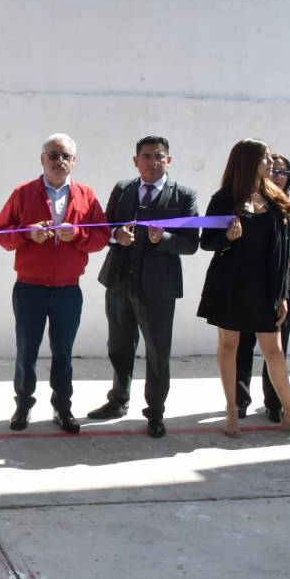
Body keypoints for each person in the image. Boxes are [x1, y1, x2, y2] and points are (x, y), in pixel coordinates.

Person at [197, 138, 290, 441]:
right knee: (229, 348)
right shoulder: (224, 198)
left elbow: (283, 250)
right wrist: (227, 237)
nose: (272, 164)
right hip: (230, 286)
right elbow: (206, 242)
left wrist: (283, 295)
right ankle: (232, 412)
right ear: (249, 161)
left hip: (266, 288)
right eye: (266, 158)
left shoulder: (276, 198)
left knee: (274, 352)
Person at [0, 133, 108, 434]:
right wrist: (27, 233)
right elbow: (1, 234)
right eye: (53, 155)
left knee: (63, 352)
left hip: (68, 290)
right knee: (26, 350)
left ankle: (63, 407)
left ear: (74, 161)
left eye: (65, 156)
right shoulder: (23, 193)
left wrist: (79, 236)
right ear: (42, 159)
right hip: (30, 288)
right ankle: (23, 405)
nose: (59, 161)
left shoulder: (86, 195)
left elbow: (101, 237)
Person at [88, 136, 199, 438]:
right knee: (119, 346)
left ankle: (156, 412)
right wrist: (116, 235)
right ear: (135, 160)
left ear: (169, 160)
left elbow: (191, 243)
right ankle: (118, 400)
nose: (152, 162)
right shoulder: (123, 189)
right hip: (120, 280)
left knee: (157, 351)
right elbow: (104, 227)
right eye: (146, 156)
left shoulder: (184, 195)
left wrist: (162, 240)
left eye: (158, 156)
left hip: (159, 287)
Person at [236, 153, 290, 422]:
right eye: (274, 170)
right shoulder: (251, 200)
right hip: (249, 286)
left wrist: (277, 262)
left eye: (283, 172)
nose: (278, 175)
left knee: (276, 350)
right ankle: (239, 401)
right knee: (242, 346)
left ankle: (274, 404)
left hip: (284, 287)